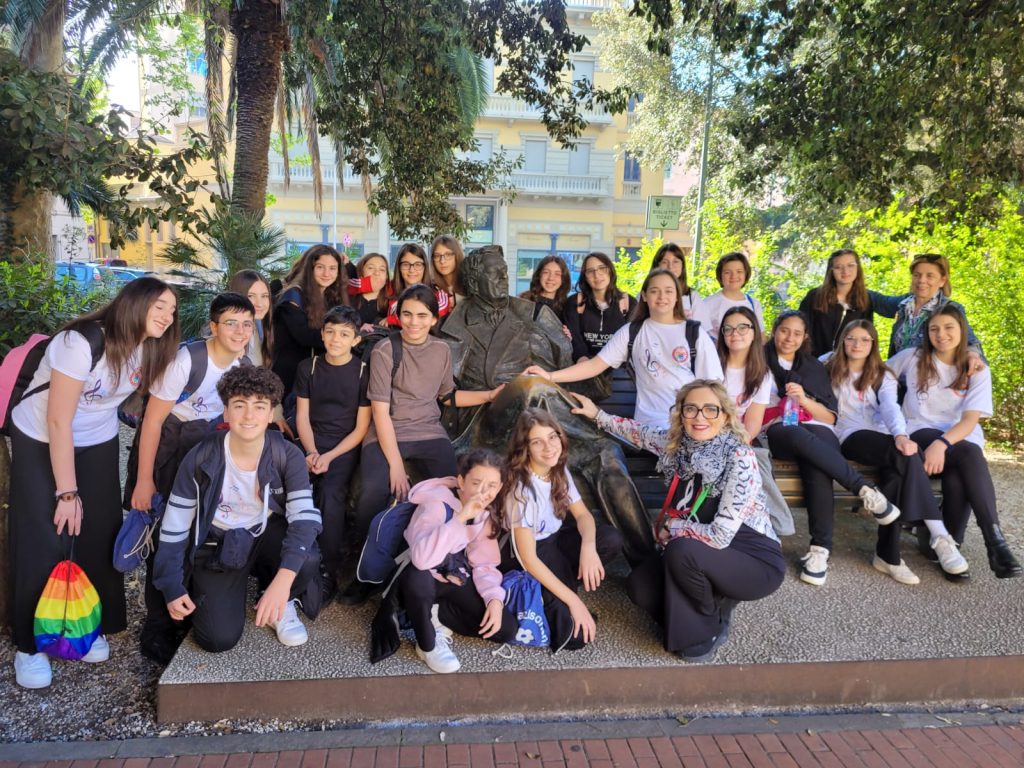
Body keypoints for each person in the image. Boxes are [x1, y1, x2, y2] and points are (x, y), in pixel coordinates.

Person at [8, 277, 180, 689]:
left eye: (172, 310)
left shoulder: (151, 347)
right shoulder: (81, 342)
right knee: (44, 533)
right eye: (159, 306)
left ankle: (89, 622)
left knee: (99, 530)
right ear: (133, 303)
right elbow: (58, 421)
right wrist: (67, 492)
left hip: (97, 438)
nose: (167, 316)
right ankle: (29, 645)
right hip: (42, 436)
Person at [572, 381, 784, 660]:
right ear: (681, 413)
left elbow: (720, 535)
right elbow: (638, 433)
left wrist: (674, 527)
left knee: (681, 550)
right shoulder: (678, 446)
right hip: (699, 549)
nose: (699, 417)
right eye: (691, 409)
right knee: (640, 586)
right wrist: (597, 415)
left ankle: (706, 630)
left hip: (751, 557)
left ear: (725, 415)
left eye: (710, 409)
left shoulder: (739, 456)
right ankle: (708, 602)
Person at [340, 284, 504, 604]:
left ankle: (445, 560)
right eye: (407, 314)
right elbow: (380, 413)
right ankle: (366, 574)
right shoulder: (385, 351)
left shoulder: (441, 350)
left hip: (428, 432)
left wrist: (489, 395)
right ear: (398, 316)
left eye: (421, 315)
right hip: (388, 430)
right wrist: (395, 466)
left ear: (434, 318)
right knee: (372, 491)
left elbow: (447, 396)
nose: (413, 322)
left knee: (455, 490)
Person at [152, 366, 323, 653]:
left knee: (306, 557)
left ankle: (282, 602)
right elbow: (174, 525)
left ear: (271, 414)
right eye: (240, 405)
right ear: (226, 412)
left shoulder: (286, 454)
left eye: (260, 406)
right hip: (219, 542)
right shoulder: (201, 457)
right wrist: (171, 584)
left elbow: (305, 519)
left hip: (265, 533)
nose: (249, 415)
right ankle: (231, 590)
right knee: (217, 640)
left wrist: (283, 583)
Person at [126, 292, 256, 664]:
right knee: (162, 533)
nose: (240, 331)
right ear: (213, 326)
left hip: (204, 453)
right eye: (230, 323)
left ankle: (182, 609)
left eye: (247, 324)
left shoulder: (243, 364)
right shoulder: (189, 360)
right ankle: (156, 626)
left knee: (192, 529)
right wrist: (144, 480)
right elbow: (152, 422)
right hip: (168, 451)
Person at [763, 310, 900, 586]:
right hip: (778, 426)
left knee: (818, 463)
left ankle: (820, 551)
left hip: (816, 423)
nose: (789, 338)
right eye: (784, 330)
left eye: (797, 333)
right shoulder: (760, 360)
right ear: (774, 331)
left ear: (805, 337)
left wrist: (803, 399)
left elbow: (829, 417)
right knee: (796, 434)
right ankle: (864, 488)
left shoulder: (813, 366)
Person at [825, 319, 969, 583]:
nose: (857, 344)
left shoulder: (883, 374)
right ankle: (939, 534)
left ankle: (888, 555)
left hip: (885, 434)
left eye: (865, 340)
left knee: (899, 471)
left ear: (873, 344)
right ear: (842, 341)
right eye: (851, 338)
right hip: (850, 434)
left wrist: (901, 436)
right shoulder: (827, 365)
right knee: (905, 456)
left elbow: (890, 407)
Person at [887, 305, 1021, 579]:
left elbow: (970, 421)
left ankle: (947, 546)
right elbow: (876, 371)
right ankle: (995, 543)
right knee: (969, 455)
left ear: (962, 330)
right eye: (934, 329)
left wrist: (942, 444)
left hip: (958, 438)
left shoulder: (977, 369)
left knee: (962, 467)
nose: (941, 334)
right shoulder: (913, 357)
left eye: (949, 328)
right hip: (920, 431)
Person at [526, 269, 723, 430]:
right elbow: (594, 365)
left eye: (669, 291)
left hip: (689, 425)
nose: (662, 296)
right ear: (644, 296)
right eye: (654, 291)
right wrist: (550, 376)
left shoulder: (694, 333)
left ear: (677, 296)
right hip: (649, 428)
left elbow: (714, 387)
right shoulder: (632, 332)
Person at [501, 409, 623, 652]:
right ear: (525, 448)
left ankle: (560, 587)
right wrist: (574, 602)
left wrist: (588, 548)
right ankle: (554, 594)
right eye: (537, 442)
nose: (549, 447)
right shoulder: (521, 490)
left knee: (609, 538)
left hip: (554, 541)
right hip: (527, 557)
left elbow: (583, 516)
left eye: (552, 437)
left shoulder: (556, 468)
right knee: (576, 637)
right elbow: (528, 559)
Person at [398, 448, 519, 673]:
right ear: (461, 481)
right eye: (476, 483)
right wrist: (462, 516)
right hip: (418, 578)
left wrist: (494, 599)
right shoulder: (436, 504)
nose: (483, 492)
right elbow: (422, 559)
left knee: (506, 629)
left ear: (500, 487)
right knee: (418, 577)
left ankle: (437, 615)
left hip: (451, 575)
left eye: (492, 485)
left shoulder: (484, 513)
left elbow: (484, 564)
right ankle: (427, 644)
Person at [294, 305, 372, 593]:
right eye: (330, 332)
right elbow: (302, 416)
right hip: (310, 440)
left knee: (331, 494)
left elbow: (360, 428)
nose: (335, 339)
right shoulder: (309, 367)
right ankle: (291, 557)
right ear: (322, 334)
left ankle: (328, 568)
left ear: (355, 340)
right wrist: (311, 452)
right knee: (294, 487)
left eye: (344, 334)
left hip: (343, 446)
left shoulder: (363, 372)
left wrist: (329, 456)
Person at [715, 307, 793, 536]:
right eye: (728, 328)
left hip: (741, 437)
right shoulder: (712, 364)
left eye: (742, 327)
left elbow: (753, 422)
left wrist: (740, 444)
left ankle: (771, 524)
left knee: (753, 461)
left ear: (754, 333)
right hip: (708, 433)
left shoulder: (761, 374)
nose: (735, 333)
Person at [271, 244, 348, 406]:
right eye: (320, 267)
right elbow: (305, 336)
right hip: (289, 375)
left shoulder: (329, 296)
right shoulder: (293, 295)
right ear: (309, 268)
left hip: (314, 374)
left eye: (332, 268)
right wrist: (346, 336)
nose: (327, 273)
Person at [880, 253, 984, 358]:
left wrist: (973, 356)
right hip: (898, 367)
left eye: (930, 276)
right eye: (917, 275)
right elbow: (877, 300)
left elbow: (971, 342)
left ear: (942, 281)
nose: (921, 280)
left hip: (931, 368)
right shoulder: (903, 305)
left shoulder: (950, 308)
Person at [563, 251, 637, 362]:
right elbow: (575, 338)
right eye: (590, 271)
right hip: (583, 365)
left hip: (618, 366)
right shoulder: (574, 302)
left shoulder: (628, 303)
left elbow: (632, 340)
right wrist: (582, 359)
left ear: (610, 271)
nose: (596, 275)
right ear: (585, 276)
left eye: (602, 268)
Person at [693, 252, 765, 341]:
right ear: (720, 275)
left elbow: (761, 337)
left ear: (746, 274)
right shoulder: (707, 304)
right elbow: (699, 337)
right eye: (727, 272)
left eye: (739, 271)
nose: (734, 276)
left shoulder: (754, 304)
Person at [382, 243, 450, 328]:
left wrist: (393, 320)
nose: (412, 270)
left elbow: (438, 311)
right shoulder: (390, 287)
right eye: (406, 264)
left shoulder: (437, 290)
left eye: (418, 264)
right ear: (399, 267)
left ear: (425, 267)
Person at [228, 270, 274, 366]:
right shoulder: (223, 333)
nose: (259, 304)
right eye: (251, 296)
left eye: (264, 296)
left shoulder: (259, 324)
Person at [651, 242, 702, 319]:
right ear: (657, 265)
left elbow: (702, 325)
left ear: (682, 266)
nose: (670, 266)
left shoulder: (693, 296)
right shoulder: (647, 294)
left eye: (675, 261)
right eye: (664, 262)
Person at [349, 253, 390, 329]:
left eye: (382, 269)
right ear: (361, 271)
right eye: (370, 268)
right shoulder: (348, 298)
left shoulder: (391, 301)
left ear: (386, 276)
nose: (377, 273)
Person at [431, 236, 466, 310]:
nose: (442, 261)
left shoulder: (469, 286)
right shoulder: (430, 288)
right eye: (437, 256)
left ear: (457, 255)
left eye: (448, 255)